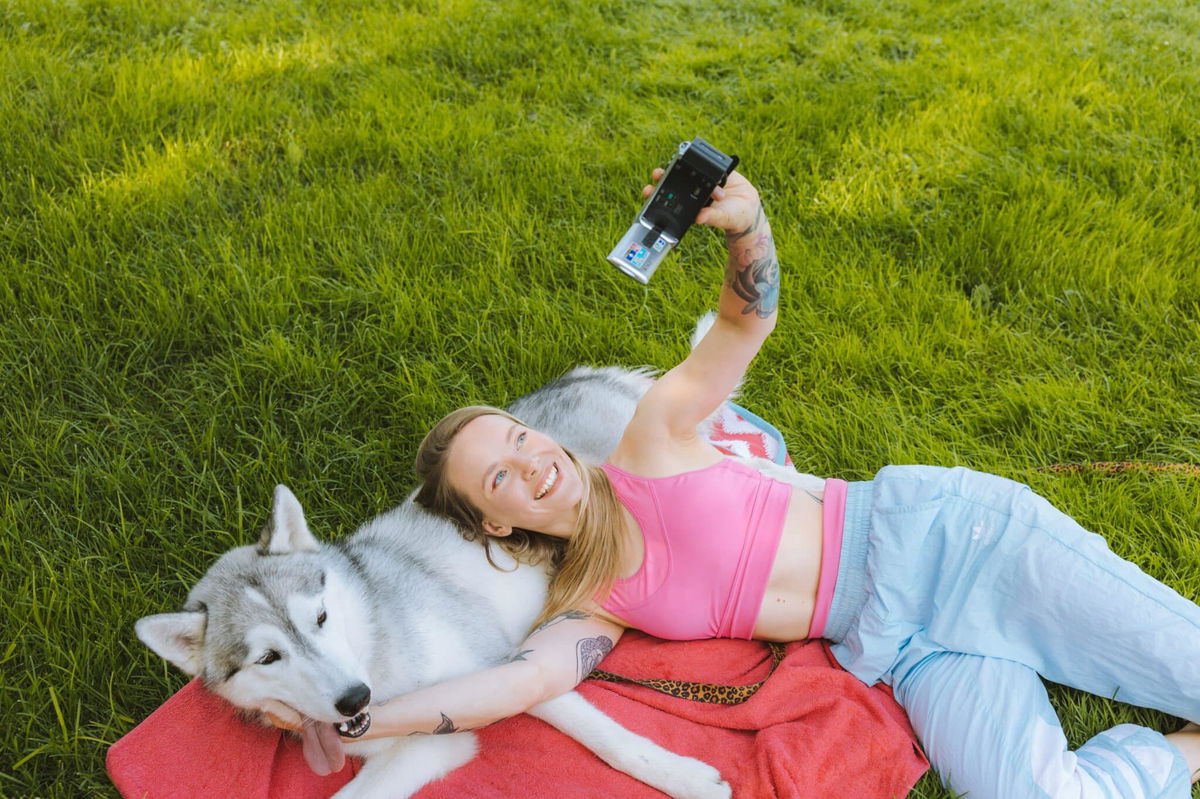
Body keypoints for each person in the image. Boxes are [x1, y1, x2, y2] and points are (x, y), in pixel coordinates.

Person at [274, 169, 1200, 799]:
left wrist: (747, 227)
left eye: (520, 435)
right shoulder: (591, 602)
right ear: (493, 522)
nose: (535, 459)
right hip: (900, 648)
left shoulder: (649, 440)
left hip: (950, 545)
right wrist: (361, 718)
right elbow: (514, 685)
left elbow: (742, 322)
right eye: (502, 475)